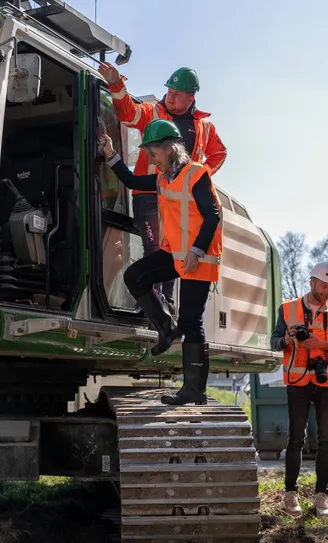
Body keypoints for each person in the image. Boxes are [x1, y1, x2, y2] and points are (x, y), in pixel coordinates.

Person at [98, 119, 221, 406]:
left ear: (169, 149)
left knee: (192, 322)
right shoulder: (161, 179)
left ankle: (194, 391)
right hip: (175, 255)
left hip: (198, 259)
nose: (151, 159)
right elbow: (129, 181)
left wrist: (197, 251)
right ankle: (165, 326)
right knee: (135, 276)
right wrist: (111, 154)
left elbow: (212, 215)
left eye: (153, 153)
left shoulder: (197, 174)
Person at [98, 62, 227, 311]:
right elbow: (127, 113)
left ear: (191, 98)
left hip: (182, 201)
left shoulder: (205, 127)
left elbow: (219, 153)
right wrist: (116, 83)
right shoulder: (153, 113)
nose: (170, 97)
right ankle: (154, 304)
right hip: (148, 193)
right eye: (169, 91)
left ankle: (167, 301)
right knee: (154, 248)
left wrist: (197, 179)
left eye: (177, 95)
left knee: (174, 252)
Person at [270, 262, 328, 518]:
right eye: (324, 285)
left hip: (327, 382)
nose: (327, 291)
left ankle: (322, 495)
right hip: (297, 381)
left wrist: (322, 344)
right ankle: (291, 493)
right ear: (312, 282)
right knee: (296, 439)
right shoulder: (288, 308)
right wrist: (288, 339)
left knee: (326, 439)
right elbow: (274, 342)